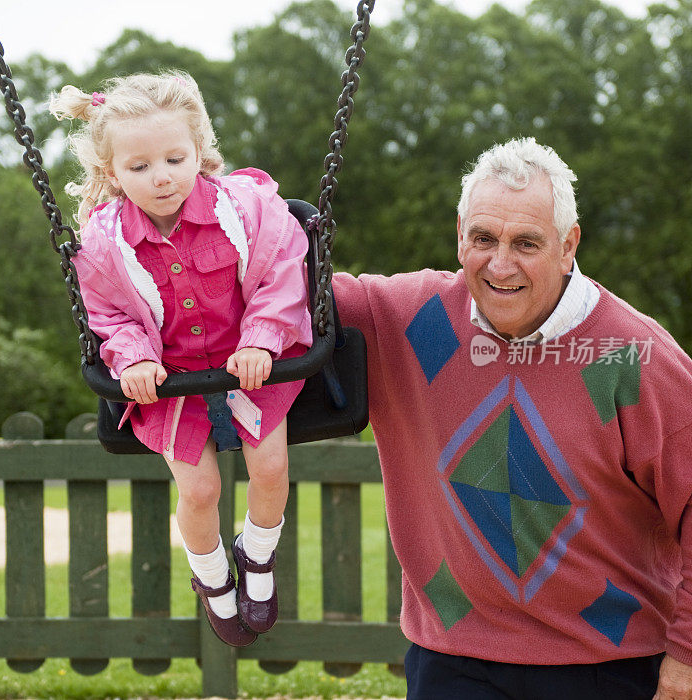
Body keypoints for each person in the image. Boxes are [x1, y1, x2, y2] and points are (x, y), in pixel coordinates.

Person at [332, 137, 692, 699]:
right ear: (459, 235)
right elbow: (276, 304)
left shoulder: (632, 356)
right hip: (451, 661)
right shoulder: (405, 321)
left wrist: (687, 660)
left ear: (569, 245)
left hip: (607, 665)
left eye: (526, 242)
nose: (500, 264)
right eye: (483, 238)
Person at [50, 71, 312, 647]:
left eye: (174, 158)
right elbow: (109, 315)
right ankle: (213, 577)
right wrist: (134, 360)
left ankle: (258, 556)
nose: (161, 177)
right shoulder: (103, 243)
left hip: (254, 366)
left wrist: (263, 337)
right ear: (111, 172)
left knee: (270, 469)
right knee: (198, 491)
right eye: (139, 167)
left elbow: (282, 269)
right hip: (172, 384)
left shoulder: (245, 209)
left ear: (199, 150)